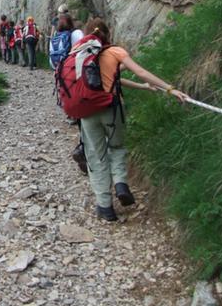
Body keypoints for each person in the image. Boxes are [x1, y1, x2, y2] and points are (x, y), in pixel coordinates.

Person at [77, 18, 188, 222]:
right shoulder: (115, 52)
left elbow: (103, 79)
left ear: (87, 35)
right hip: (111, 109)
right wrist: (170, 89)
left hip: (87, 111)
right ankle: (120, 184)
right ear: (107, 34)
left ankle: (105, 207)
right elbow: (140, 72)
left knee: (96, 156)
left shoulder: (80, 54)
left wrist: (142, 87)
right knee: (117, 147)